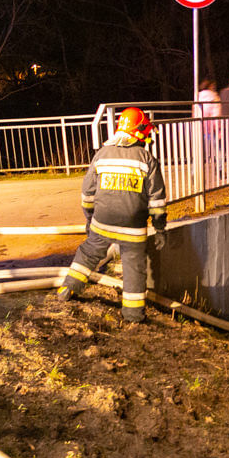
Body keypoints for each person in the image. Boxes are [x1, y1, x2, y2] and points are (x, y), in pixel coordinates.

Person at [57, 107, 167, 324]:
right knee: (134, 269)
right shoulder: (146, 159)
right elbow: (157, 200)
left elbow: (87, 194)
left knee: (88, 253)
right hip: (133, 227)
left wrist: (89, 220)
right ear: (140, 131)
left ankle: (67, 288)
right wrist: (160, 227)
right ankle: (133, 316)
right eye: (145, 132)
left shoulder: (102, 155)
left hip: (102, 222)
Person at [196, 79, 222, 182]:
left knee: (199, 151)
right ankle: (219, 170)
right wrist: (218, 129)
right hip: (212, 128)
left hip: (200, 127)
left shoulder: (198, 96)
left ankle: (195, 172)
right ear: (211, 86)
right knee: (218, 150)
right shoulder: (214, 97)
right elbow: (216, 114)